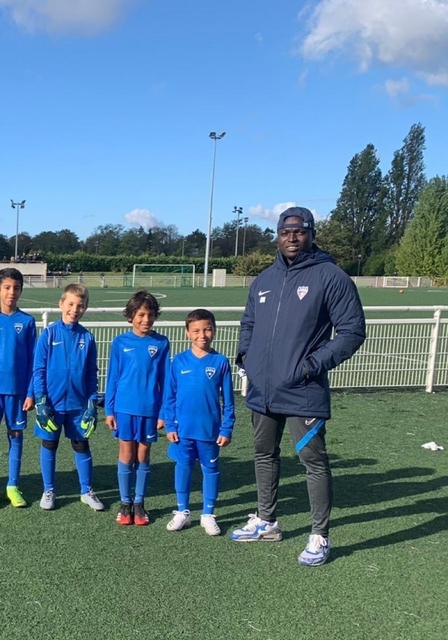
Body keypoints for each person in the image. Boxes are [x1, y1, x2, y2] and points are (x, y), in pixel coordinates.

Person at [231, 206, 366, 566]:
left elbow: (352, 331)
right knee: (263, 454)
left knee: (313, 462)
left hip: (303, 391)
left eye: (299, 231)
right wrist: (245, 356)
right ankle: (266, 521)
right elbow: (248, 323)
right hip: (262, 390)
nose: (291, 237)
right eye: (285, 232)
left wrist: (311, 365)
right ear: (277, 235)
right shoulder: (264, 280)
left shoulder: (331, 276)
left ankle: (320, 535)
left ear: (311, 234)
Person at [161, 309, 235, 536]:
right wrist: (170, 425)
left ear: (214, 330)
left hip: (209, 431)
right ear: (187, 333)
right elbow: (169, 396)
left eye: (207, 329)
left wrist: (227, 428)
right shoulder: (179, 361)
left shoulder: (220, 362)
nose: (202, 335)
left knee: (210, 469)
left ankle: (208, 514)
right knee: (183, 467)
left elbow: (229, 400)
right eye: (196, 331)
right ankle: (182, 511)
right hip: (183, 430)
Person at [30, 284, 102, 511]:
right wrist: (41, 401)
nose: (74, 309)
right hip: (51, 403)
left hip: (78, 405)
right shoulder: (49, 334)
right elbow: (38, 370)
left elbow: (91, 373)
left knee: (81, 444)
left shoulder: (87, 337)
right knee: (50, 444)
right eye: (70, 304)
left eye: (80, 306)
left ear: (85, 308)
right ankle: (48, 490)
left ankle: (86, 490)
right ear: (61, 304)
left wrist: (92, 402)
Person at [105, 290, 169, 526]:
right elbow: (113, 378)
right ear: (130, 316)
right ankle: (125, 504)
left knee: (143, 455)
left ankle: (139, 504)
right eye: (141, 314)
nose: (146, 319)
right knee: (126, 454)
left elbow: (166, 380)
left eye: (150, 314)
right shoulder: (120, 342)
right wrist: (109, 410)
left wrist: (163, 412)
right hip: (124, 408)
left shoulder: (161, 343)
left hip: (149, 409)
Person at [0, 267, 36, 508]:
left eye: (16, 288)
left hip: (18, 392)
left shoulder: (27, 322)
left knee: (16, 434)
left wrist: (31, 393)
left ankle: (13, 486)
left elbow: (33, 361)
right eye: (7, 288)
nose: (12, 292)